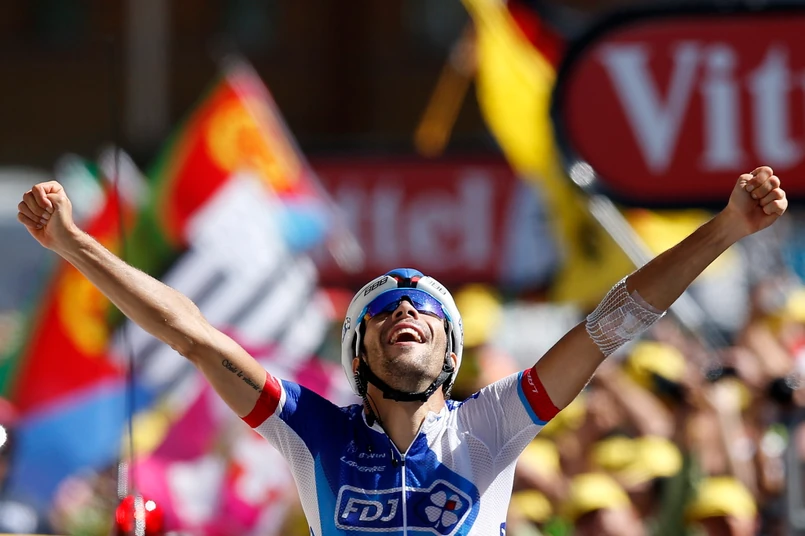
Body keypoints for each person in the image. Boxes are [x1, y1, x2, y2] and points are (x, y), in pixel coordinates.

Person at [16, 167, 787, 534]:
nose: (406, 311)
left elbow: (612, 322)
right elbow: (191, 334)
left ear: (451, 355)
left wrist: (724, 229)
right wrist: (73, 243)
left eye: (426, 311)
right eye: (383, 310)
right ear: (357, 354)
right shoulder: (311, 430)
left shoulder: (491, 425)